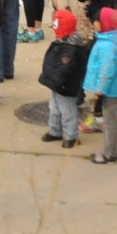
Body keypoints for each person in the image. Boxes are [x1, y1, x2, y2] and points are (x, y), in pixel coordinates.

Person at [38, 9, 88, 150]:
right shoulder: (62, 42)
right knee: (54, 108)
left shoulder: (71, 48)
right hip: (57, 83)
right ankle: (55, 131)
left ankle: (70, 136)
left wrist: (55, 78)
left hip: (65, 85)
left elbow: (65, 69)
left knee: (67, 111)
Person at [82, 7, 117, 164]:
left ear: (104, 24)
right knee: (110, 120)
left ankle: (108, 153)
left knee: (109, 122)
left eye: (97, 21)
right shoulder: (108, 41)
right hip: (110, 89)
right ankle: (111, 151)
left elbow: (107, 71)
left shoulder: (106, 46)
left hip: (108, 90)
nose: (94, 23)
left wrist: (100, 88)